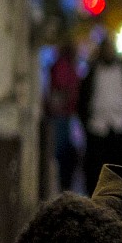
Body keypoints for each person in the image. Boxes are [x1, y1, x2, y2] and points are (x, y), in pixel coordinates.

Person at [82, 35, 122, 194]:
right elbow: (83, 99)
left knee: (119, 170)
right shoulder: (92, 71)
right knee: (96, 171)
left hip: (120, 128)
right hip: (97, 129)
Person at [44, 41, 85, 192]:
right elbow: (62, 88)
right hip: (62, 115)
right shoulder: (63, 66)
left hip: (65, 114)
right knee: (63, 152)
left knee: (66, 152)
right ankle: (62, 185)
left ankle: (64, 184)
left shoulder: (64, 65)